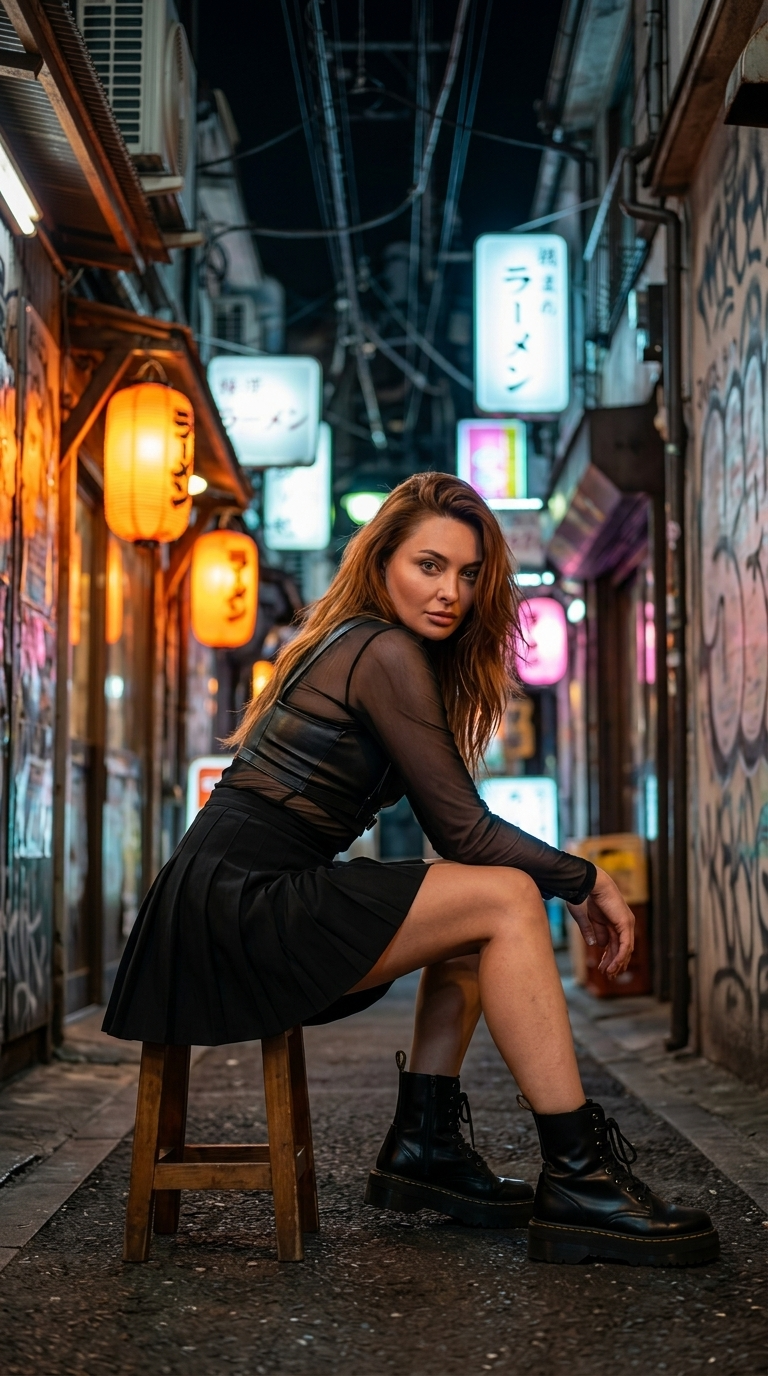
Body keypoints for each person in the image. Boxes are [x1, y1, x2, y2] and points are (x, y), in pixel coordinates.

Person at [104, 472, 718, 1268]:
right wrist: (585, 879)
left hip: (217, 899)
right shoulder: (383, 649)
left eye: (468, 575)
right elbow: (464, 829)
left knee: (473, 918)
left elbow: (453, 837)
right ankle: (580, 1176)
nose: (450, 592)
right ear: (383, 558)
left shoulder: (362, 642)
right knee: (502, 899)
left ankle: (426, 1147)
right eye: (429, 566)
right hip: (239, 908)